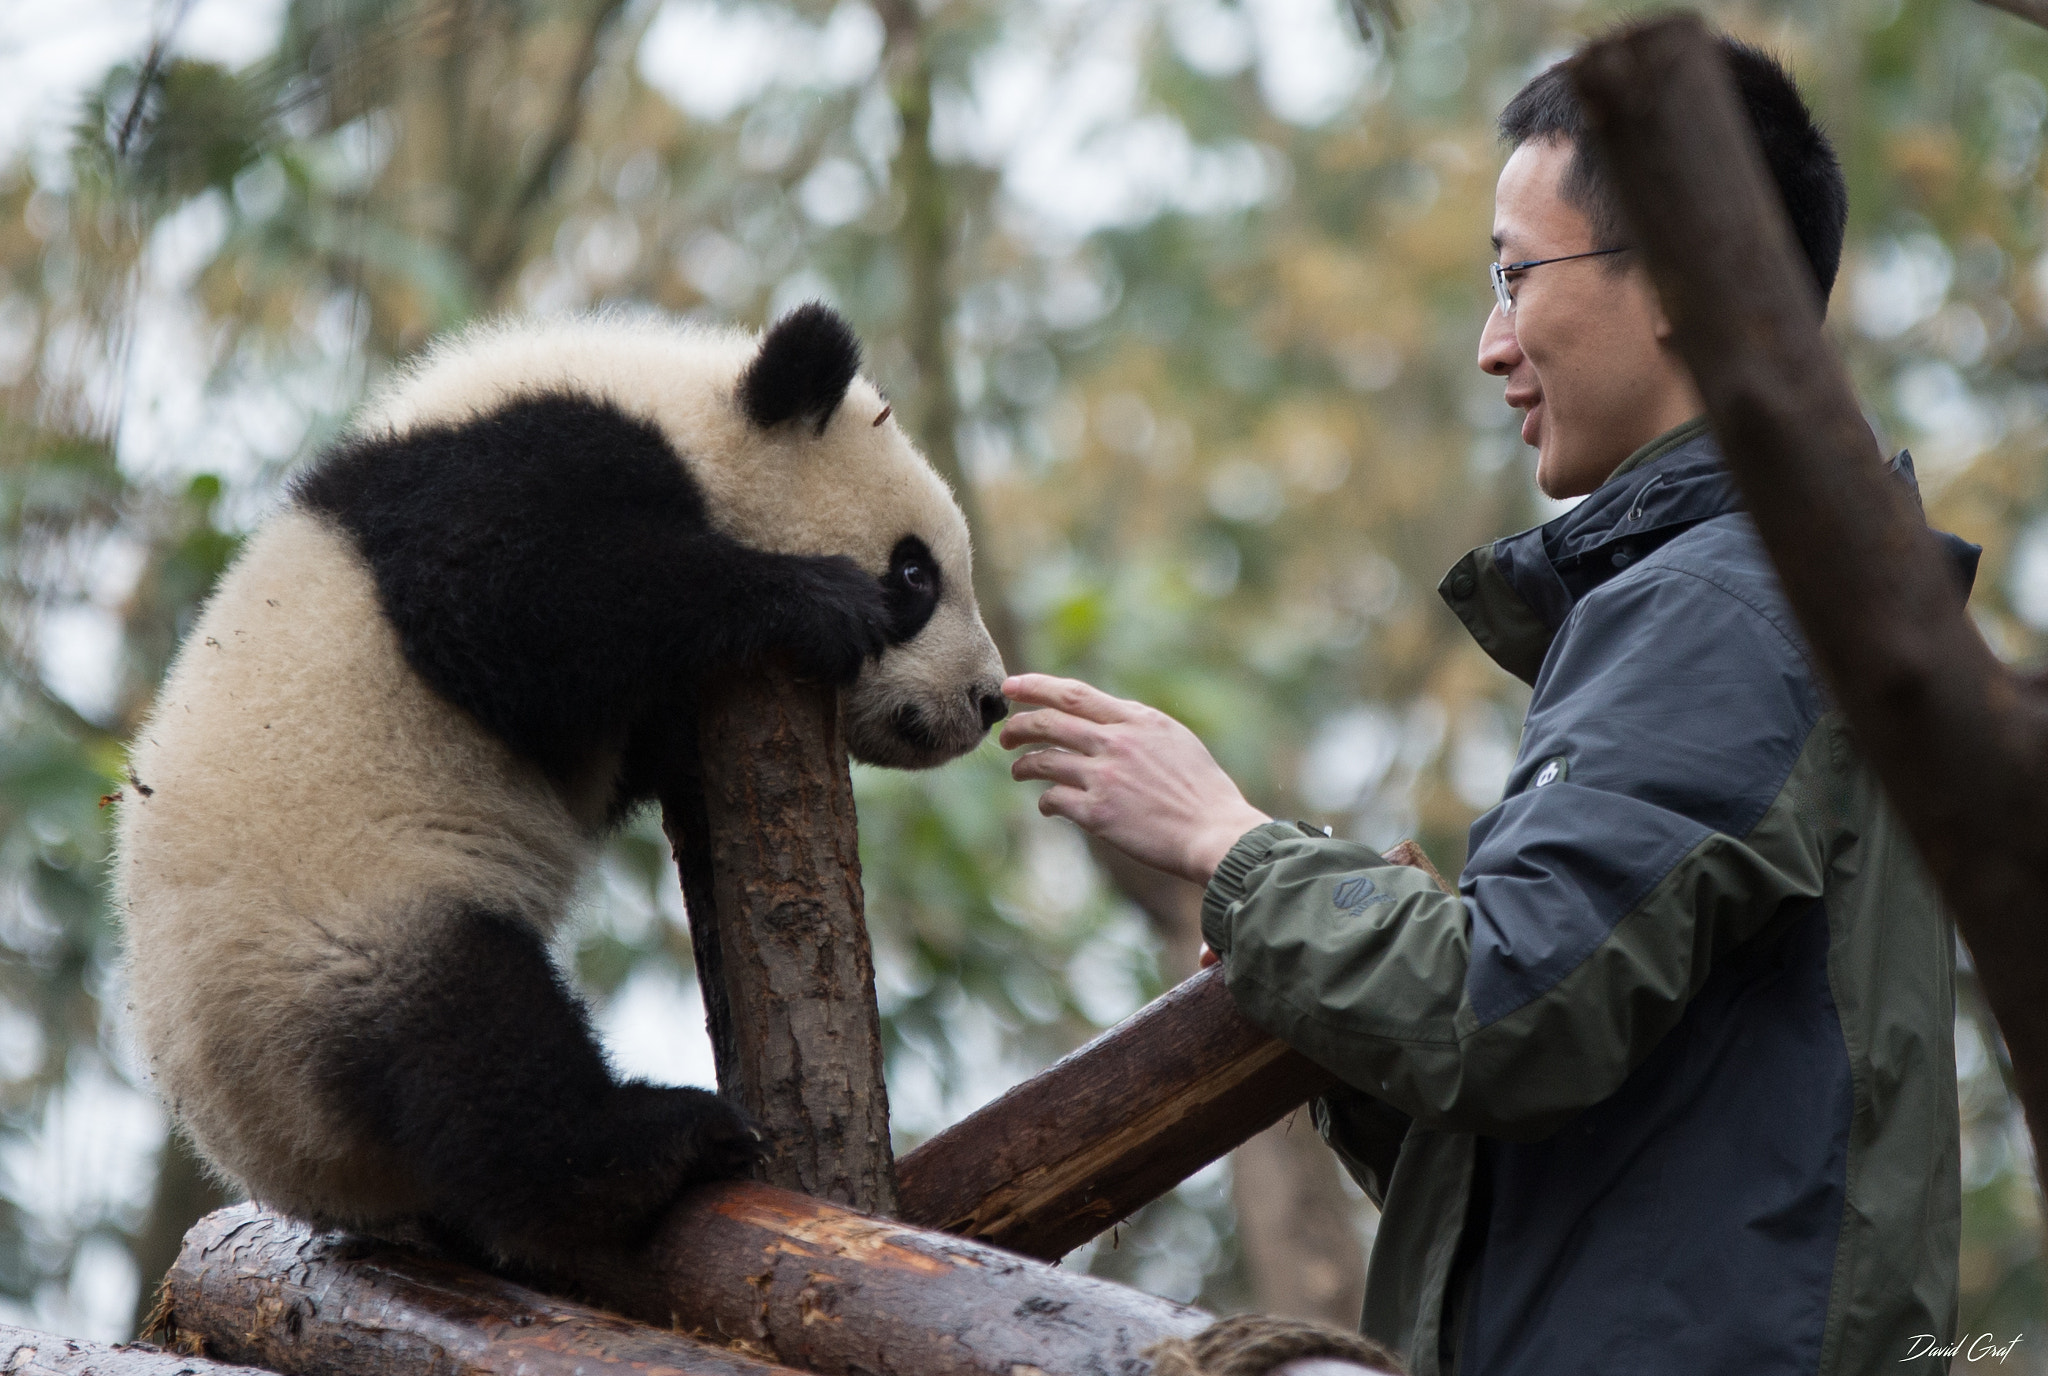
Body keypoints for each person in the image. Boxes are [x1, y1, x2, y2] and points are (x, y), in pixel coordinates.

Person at [1001, 31, 1968, 1376]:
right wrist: (1331, 1003)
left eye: (1518, 276)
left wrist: (1231, 845)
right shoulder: (1791, 592)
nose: (1489, 345)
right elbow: (1581, 1158)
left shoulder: (1726, 602)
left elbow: (1503, 1015)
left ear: (1686, 269)